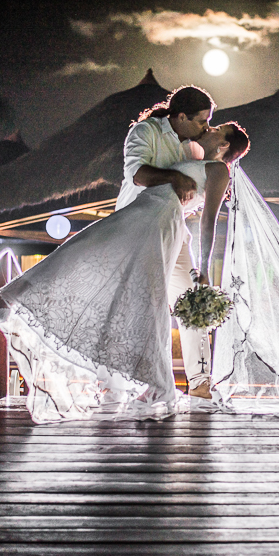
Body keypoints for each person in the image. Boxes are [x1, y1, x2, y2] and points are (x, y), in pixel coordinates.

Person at [0, 123, 250, 423]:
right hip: (145, 213)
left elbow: (209, 220)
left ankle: (188, 384)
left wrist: (205, 266)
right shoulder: (190, 155)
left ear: (224, 145)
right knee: (82, 251)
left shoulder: (218, 170)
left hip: (161, 221)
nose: (209, 127)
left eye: (217, 128)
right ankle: (8, 298)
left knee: (168, 299)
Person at [116, 85, 216, 398]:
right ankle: (147, 383)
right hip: (139, 231)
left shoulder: (192, 147)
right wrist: (174, 177)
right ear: (181, 116)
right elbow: (137, 174)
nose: (206, 127)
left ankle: (200, 382)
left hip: (175, 232)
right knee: (148, 305)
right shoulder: (145, 131)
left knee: (192, 302)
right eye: (201, 121)